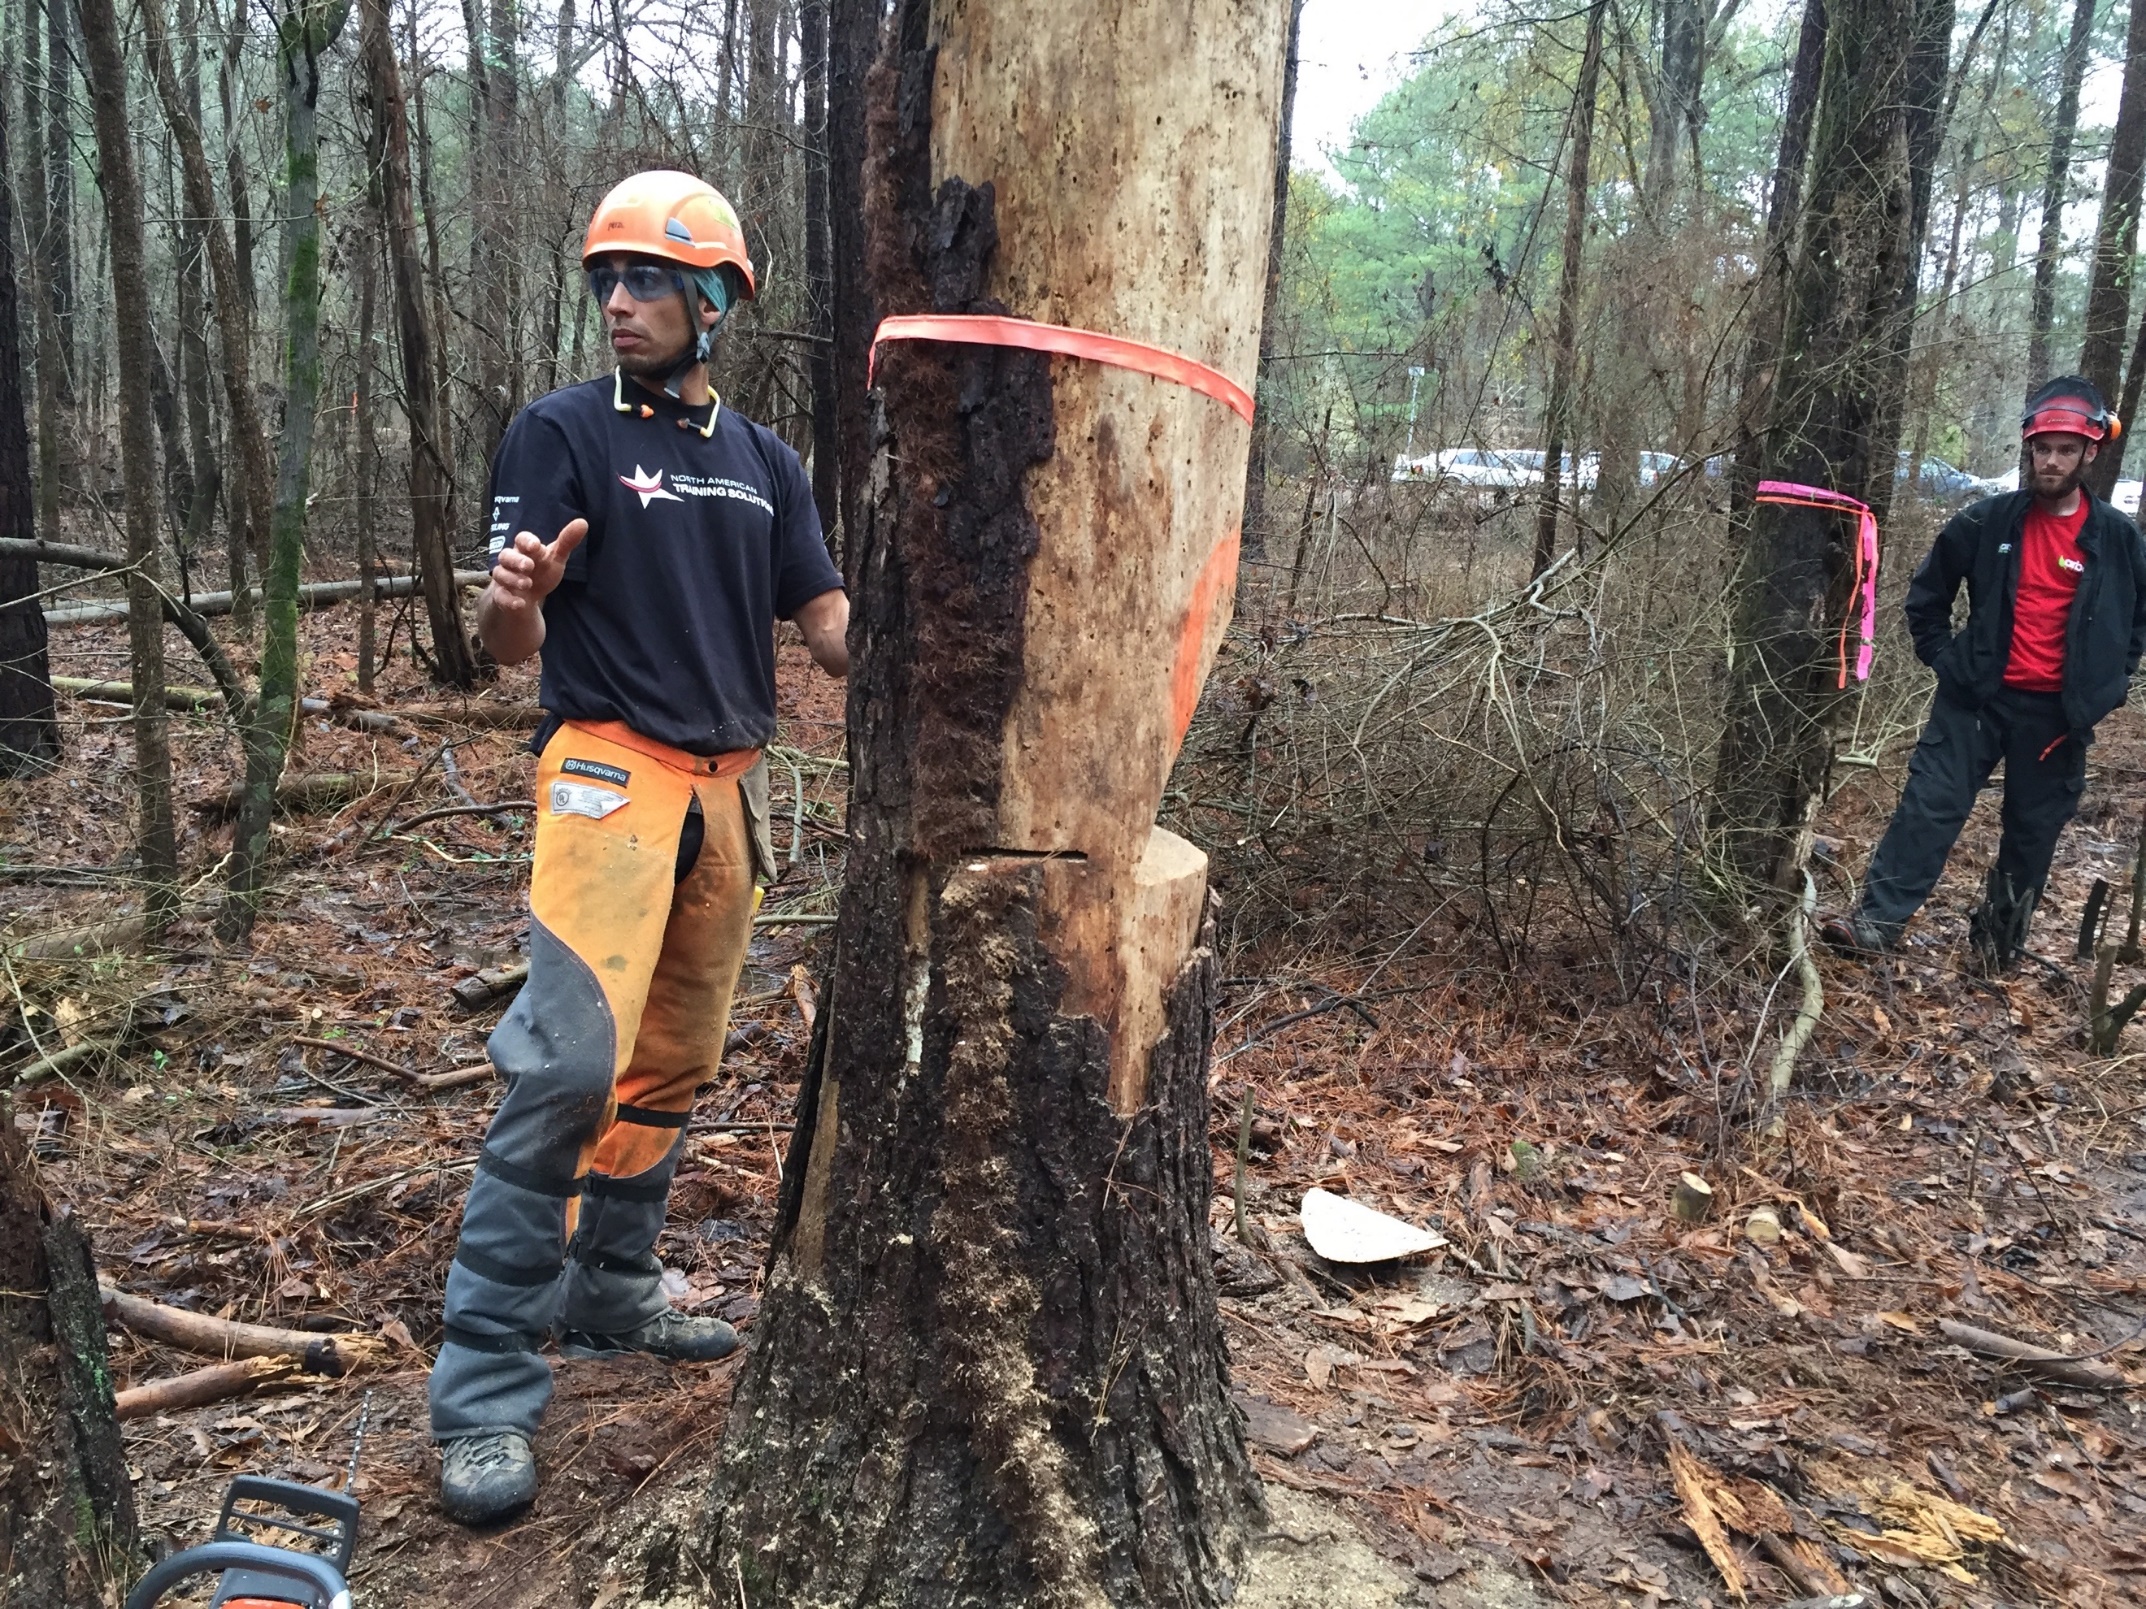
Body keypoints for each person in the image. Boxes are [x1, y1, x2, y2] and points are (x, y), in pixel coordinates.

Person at [429, 170, 849, 1525]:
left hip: (726, 789)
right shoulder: (559, 433)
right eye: (608, 279)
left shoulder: (764, 461)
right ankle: (484, 1384)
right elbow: (510, 649)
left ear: (715, 299)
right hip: (606, 773)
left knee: (673, 1062)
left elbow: (825, 618)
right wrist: (512, 604)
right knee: (567, 1064)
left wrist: (915, 644)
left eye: (652, 280)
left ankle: (609, 1291)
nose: (622, 302)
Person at [1824, 376, 2146, 970]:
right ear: (2029, 447)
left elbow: (2135, 624)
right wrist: (1950, 661)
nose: (2051, 461)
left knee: (2032, 832)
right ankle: (1874, 925)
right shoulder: (1986, 522)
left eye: (2066, 450)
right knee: (1929, 806)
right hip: (1975, 701)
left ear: (2090, 453)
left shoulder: (2118, 538)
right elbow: (1926, 600)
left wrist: (2109, 685)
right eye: (2043, 448)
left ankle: (1997, 949)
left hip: (2056, 718)